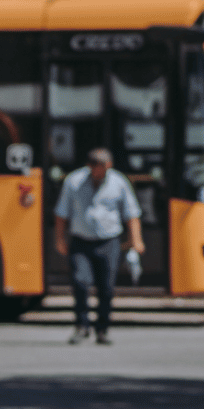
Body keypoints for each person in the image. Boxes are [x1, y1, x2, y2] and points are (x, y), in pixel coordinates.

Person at [52, 147, 143, 346]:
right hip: (80, 241)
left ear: (108, 166)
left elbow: (131, 213)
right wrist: (60, 239)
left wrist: (136, 239)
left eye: (103, 168)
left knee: (106, 288)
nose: (99, 172)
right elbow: (61, 213)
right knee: (80, 282)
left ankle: (102, 329)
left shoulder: (119, 182)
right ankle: (81, 326)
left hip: (108, 241)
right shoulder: (74, 181)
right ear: (89, 166)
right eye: (95, 168)